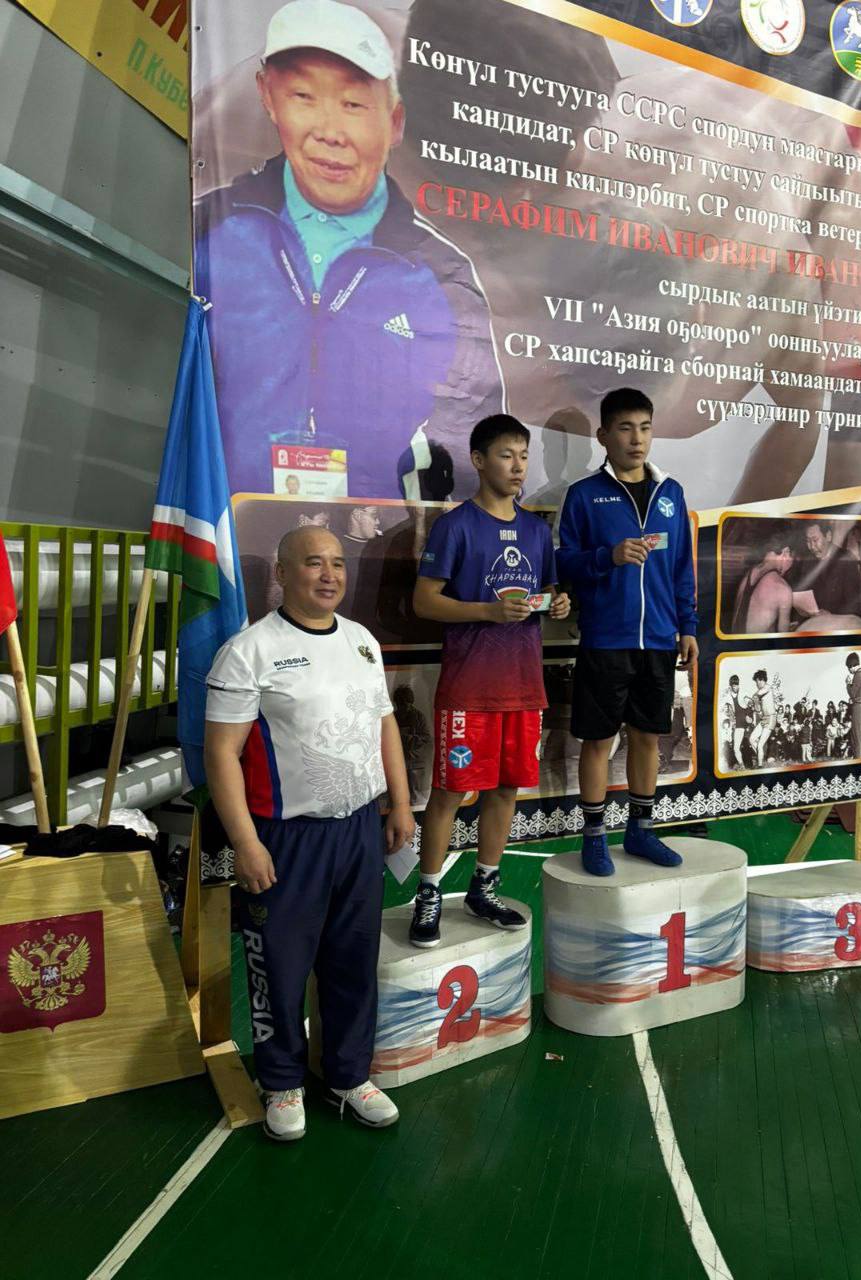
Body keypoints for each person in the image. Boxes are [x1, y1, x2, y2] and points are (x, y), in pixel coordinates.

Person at [194, 0, 502, 501]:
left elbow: (469, 448)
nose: (330, 132)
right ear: (267, 96)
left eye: (354, 104)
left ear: (394, 122)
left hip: (377, 542)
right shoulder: (208, 233)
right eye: (303, 96)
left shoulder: (441, 274)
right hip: (226, 537)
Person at [204, 525, 416, 1141]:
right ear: (281, 573)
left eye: (338, 564)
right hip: (286, 839)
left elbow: (384, 724)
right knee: (279, 966)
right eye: (313, 563)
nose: (329, 575)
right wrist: (246, 842)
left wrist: (400, 803)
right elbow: (221, 755)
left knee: (354, 960)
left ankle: (349, 1076)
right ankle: (281, 1082)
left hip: (359, 832)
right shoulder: (249, 651)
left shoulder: (361, 640)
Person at [408, 414, 570, 947]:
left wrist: (558, 603)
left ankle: (484, 887)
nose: (518, 466)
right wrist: (486, 611)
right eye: (506, 455)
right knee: (452, 793)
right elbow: (424, 601)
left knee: (505, 790)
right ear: (478, 461)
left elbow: (547, 594)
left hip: (523, 687)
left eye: (524, 456)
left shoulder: (536, 530)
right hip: (469, 688)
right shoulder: (455, 526)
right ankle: (429, 895)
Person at [556, 387, 698, 876]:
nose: (637, 439)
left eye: (645, 428)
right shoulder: (583, 495)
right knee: (598, 742)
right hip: (605, 639)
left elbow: (682, 568)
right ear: (603, 436)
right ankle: (594, 836)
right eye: (625, 428)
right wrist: (608, 556)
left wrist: (687, 625)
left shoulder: (670, 493)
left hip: (658, 639)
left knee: (648, 738)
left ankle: (640, 830)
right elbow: (564, 562)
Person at [794, 521, 861, 623]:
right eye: (808, 541)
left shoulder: (846, 559)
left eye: (815, 540)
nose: (812, 547)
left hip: (840, 622)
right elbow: (804, 597)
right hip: (815, 621)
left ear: (828, 536)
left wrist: (831, 615)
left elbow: (853, 604)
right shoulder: (807, 562)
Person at [729, 535, 796, 634]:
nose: (789, 566)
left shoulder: (748, 575)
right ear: (786, 552)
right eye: (792, 559)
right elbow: (783, 636)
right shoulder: (782, 588)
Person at [722, 674, 750, 768]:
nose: (736, 687)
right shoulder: (728, 696)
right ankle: (742, 765)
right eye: (734, 686)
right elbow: (725, 708)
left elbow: (749, 706)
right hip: (736, 724)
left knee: (740, 746)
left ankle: (744, 765)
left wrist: (748, 716)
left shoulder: (743, 694)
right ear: (731, 686)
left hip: (742, 724)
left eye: (737, 685)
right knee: (736, 747)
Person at [749, 670, 776, 768]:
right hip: (764, 719)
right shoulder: (760, 693)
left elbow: (757, 694)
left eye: (757, 681)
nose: (756, 684)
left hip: (771, 718)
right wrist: (755, 704)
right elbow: (758, 709)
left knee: (760, 745)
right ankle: (761, 756)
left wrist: (754, 698)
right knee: (752, 739)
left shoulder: (768, 687)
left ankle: (760, 765)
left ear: (761, 680)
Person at [846, 653, 861, 758]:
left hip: (858, 707)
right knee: (856, 734)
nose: (849, 670)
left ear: (851, 666)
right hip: (860, 706)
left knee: (856, 736)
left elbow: (852, 693)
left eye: (848, 668)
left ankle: (857, 758)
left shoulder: (859, 674)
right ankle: (856, 757)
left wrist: (848, 684)